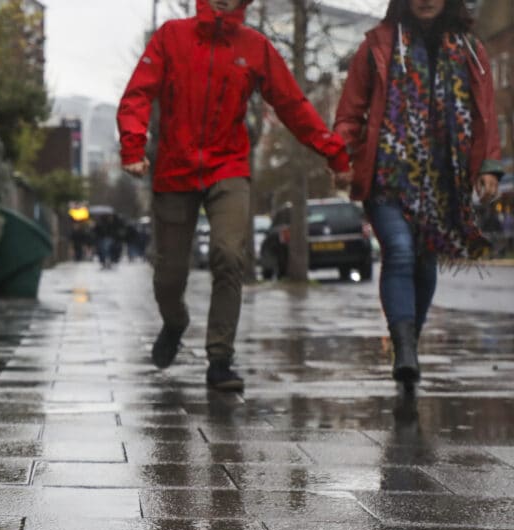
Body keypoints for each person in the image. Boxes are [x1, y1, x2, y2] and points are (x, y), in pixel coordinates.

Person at [118, 0, 350, 392]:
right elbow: (138, 94)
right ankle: (175, 323)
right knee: (169, 276)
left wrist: (333, 151)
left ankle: (220, 358)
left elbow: (293, 104)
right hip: (175, 169)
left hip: (228, 166)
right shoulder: (171, 37)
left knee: (228, 253)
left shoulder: (254, 46)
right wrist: (133, 146)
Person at [333, 0, 502, 390]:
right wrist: (341, 156)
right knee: (400, 251)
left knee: (424, 263)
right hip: (386, 176)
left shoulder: (471, 50)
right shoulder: (377, 45)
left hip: (442, 182)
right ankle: (405, 348)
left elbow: (485, 115)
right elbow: (350, 112)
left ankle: (408, 344)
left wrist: (489, 167)